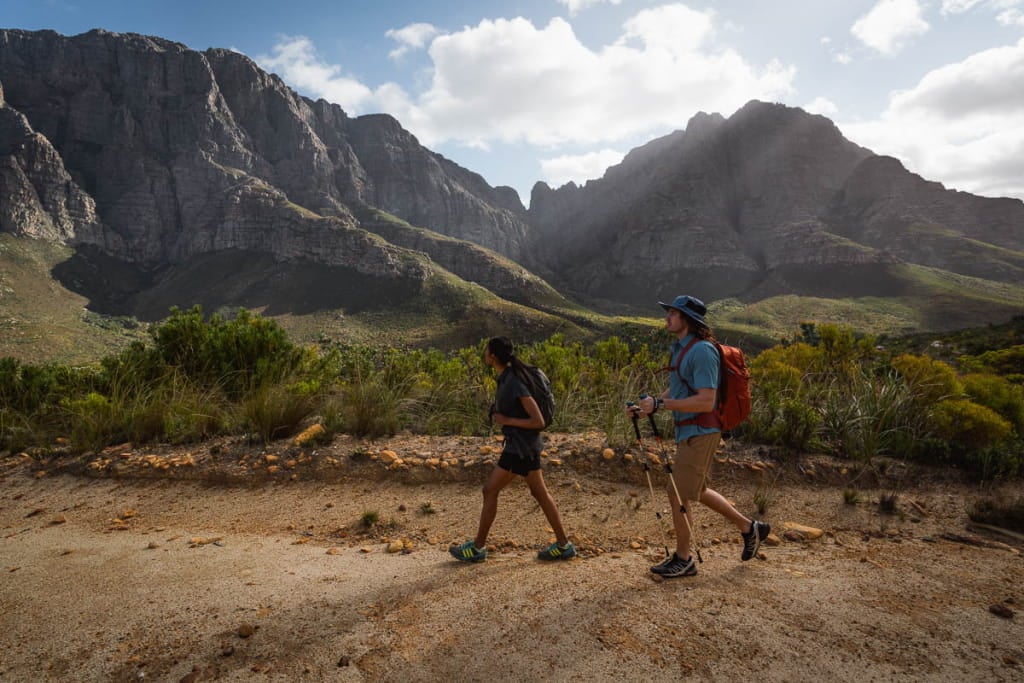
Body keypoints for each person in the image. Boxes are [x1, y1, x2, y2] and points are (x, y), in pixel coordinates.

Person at [631, 295, 769, 578]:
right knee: (697, 490)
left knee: (678, 492)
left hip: (703, 430)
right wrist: (649, 406)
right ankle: (749, 528)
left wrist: (661, 405)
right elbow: (681, 390)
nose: (667, 317)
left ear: (688, 320)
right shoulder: (683, 349)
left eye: (672, 313)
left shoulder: (703, 351)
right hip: (690, 430)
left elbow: (706, 400)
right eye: (668, 312)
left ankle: (684, 559)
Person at [450, 336, 576, 563]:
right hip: (526, 446)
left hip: (520, 448)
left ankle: (477, 549)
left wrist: (506, 420)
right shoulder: (509, 377)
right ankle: (563, 544)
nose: (484, 353)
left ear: (493, 356)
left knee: (489, 490)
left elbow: (537, 421)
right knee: (539, 492)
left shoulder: (514, 382)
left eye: (486, 350)